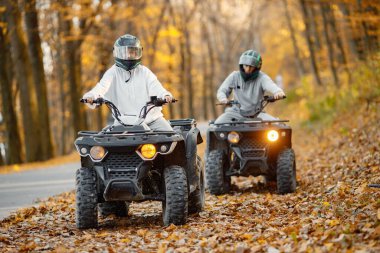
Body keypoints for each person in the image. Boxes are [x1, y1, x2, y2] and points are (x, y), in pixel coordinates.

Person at [82, 34, 174, 131]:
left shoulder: (144, 72)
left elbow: (156, 86)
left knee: (170, 137)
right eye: (125, 53)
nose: (129, 56)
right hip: (122, 123)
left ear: (138, 52)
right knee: (107, 144)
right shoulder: (112, 73)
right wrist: (91, 96)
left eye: (133, 52)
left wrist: (165, 95)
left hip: (152, 121)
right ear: (117, 53)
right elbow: (101, 87)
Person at [215, 50, 285, 123]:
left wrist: (278, 92)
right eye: (246, 66)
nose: (248, 69)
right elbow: (222, 90)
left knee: (277, 125)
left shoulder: (262, 77)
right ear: (242, 65)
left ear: (257, 67)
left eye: (251, 67)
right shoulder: (234, 76)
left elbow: (271, 86)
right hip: (236, 113)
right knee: (217, 125)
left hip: (258, 114)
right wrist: (223, 99)